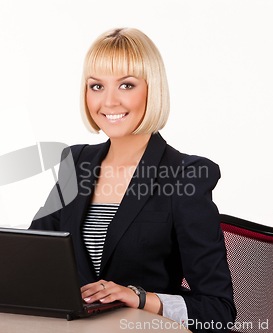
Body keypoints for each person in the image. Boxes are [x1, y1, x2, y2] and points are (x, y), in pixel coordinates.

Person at [29, 28, 236, 333]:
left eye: (126, 85)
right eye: (96, 86)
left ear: (153, 90)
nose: (108, 101)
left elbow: (218, 311)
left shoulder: (185, 174)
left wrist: (138, 298)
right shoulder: (77, 164)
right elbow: (33, 256)